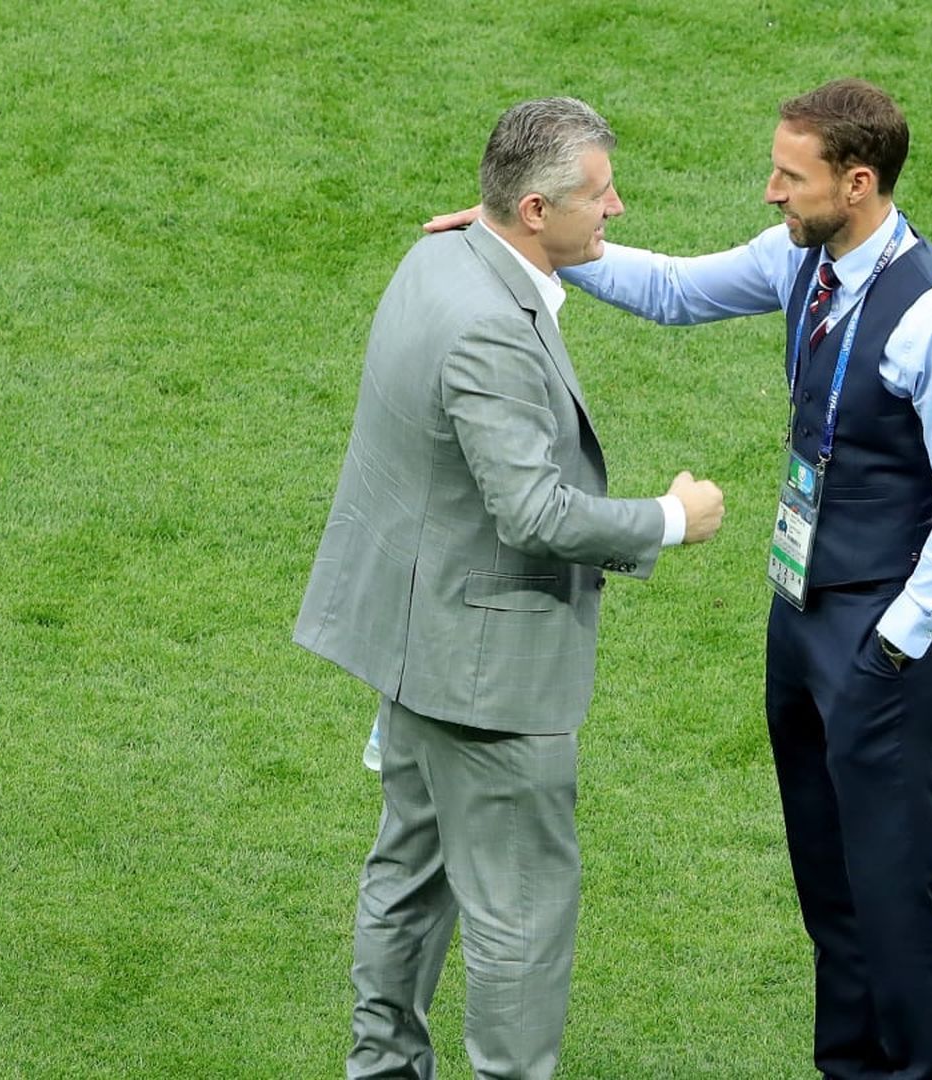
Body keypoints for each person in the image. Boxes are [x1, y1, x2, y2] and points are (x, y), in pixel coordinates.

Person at [429, 76, 932, 1080]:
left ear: (857, 182)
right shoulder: (809, 266)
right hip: (802, 617)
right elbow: (675, 290)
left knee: (890, 882)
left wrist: (895, 643)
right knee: (829, 879)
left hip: (879, 639)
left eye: (792, 176)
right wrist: (514, 239)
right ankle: (853, 1069)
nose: (771, 194)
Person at [294, 96, 726, 1080]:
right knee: (522, 914)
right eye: (598, 193)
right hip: (484, 671)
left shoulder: (438, 257)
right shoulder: (491, 325)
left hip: (413, 641)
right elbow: (533, 512)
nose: (616, 206)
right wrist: (669, 518)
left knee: (407, 878)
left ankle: (383, 1069)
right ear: (533, 210)